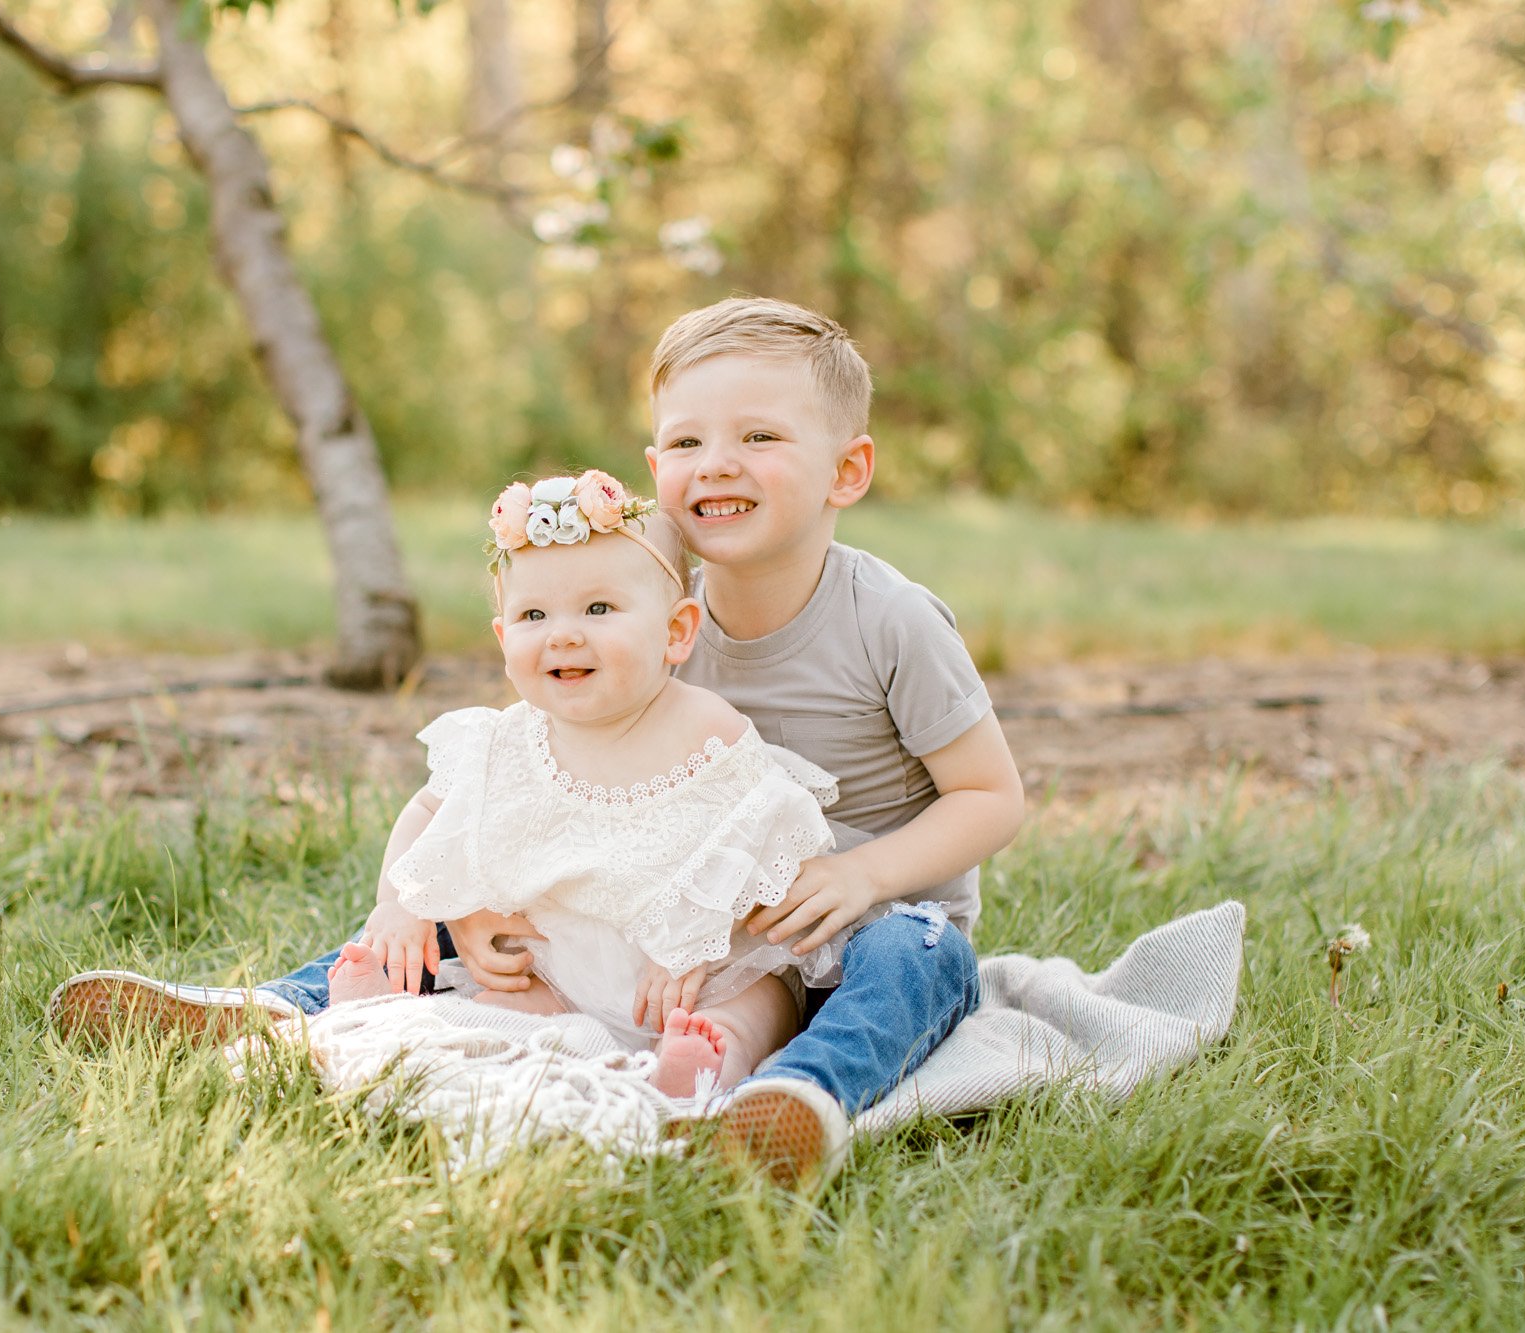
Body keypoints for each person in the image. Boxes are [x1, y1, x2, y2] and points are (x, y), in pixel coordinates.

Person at [50, 296, 1025, 1186]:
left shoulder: (888, 620)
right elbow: (546, 774)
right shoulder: (641, 604)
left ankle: (794, 1099)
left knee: (912, 955)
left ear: (845, 470)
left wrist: (862, 880)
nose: (715, 462)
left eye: (758, 436)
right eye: (685, 439)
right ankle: (278, 1010)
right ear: (652, 471)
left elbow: (990, 796)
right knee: (437, 910)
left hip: (849, 928)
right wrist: (477, 901)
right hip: (668, 934)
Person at [319, 472, 842, 1099]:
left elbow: (770, 845)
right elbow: (427, 811)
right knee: (501, 1003)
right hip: (556, 971)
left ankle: (707, 1059)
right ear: (504, 638)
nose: (563, 633)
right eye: (534, 614)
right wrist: (399, 905)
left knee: (757, 1004)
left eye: (598, 609)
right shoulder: (505, 741)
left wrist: (694, 942)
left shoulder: (705, 730)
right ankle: (392, 1015)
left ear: (675, 632)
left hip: (693, 975)